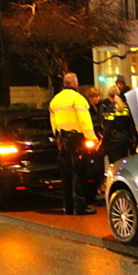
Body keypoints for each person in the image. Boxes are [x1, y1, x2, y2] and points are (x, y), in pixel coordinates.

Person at [49, 73, 97, 215]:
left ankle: (67, 206)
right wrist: (92, 137)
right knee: (79, 173)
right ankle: (79, 206)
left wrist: (58, 137)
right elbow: (84, 120)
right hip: (76, 139)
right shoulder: (78, 99)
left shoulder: (55, 100)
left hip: (62, 140)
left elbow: (53, 122)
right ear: (75, 83)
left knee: (66, 174)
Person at [100, 77, 138, 164]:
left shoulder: (111, 108)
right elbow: (130, 125)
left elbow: (108, 127)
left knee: (115, 164)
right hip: (125, 139)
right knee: (123, 162)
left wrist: (103, 144)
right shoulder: (125, 107)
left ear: (109, 96)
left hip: (114, 141)